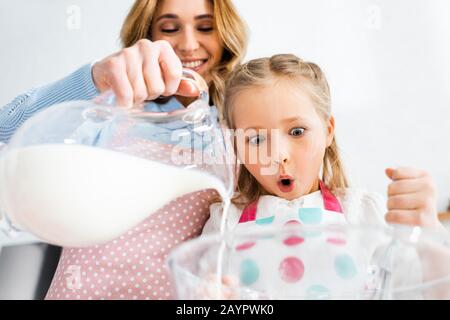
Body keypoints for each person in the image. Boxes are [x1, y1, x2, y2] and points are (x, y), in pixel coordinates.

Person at [0, 0, 247, 300]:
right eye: (170, 28)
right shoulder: (110, 115)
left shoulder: (240, 131)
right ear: (148, 37)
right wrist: (95, 80)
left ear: (226, 38)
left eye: (205, 27)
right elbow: (7, 133)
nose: (189, 43)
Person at [202, 54, 447, 298]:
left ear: (328, 131)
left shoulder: (364, 212)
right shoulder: (224, 224)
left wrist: (429, 233)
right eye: (256, 139)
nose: (277, 155)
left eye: (297, 131)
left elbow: (431, 292)